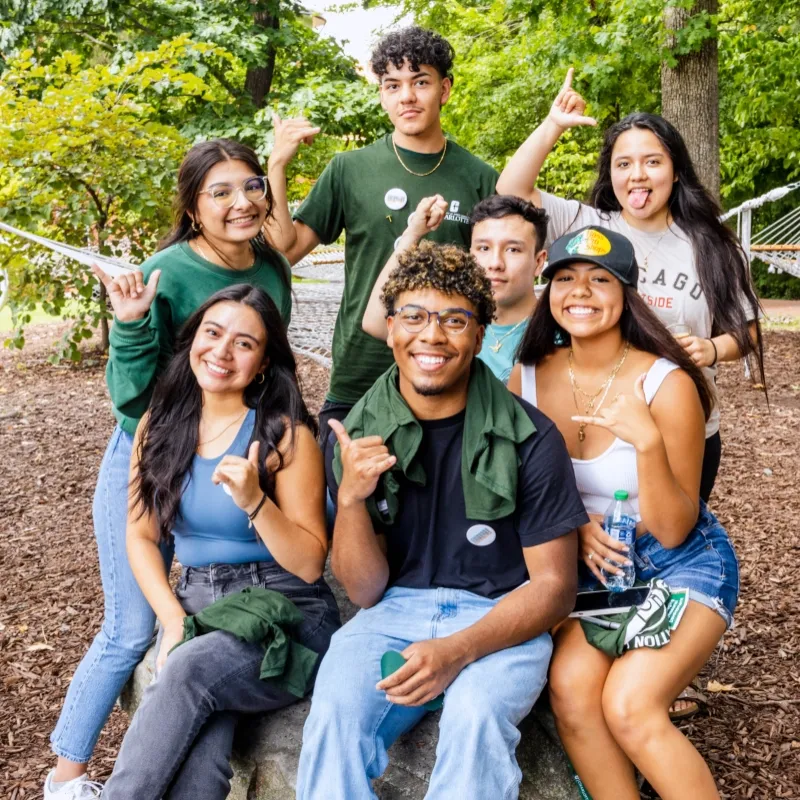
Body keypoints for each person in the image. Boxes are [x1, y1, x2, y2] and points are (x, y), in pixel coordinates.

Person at [45, 140, 293, 799]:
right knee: (134, 625)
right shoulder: (166, 273)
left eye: (250, 186)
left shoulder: (271, 265)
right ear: (192, 208)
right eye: (220, 192)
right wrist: (129, 323)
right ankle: (67, 779)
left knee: (206, 613)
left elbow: (274, 367)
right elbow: (131, 397)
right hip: (148, 454)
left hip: (227, 450)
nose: (241, 202)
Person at [296, 242, 588, 799]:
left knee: (476, 717)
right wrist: (353, 499)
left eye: (455, 320)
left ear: (479, 335)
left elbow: (553, 589)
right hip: (392, 610)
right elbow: (364, 588)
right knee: (333, 712)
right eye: (414, 316)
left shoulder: (530, 436)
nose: (432, 335)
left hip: (503, 613)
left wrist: (457, 650)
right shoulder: (358, 434)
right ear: (390, 327)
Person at [508, 226, 739, 800]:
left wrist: (648, 446)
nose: (580, 292)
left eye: (599, 279)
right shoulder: (529, 376)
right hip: (589, 569)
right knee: (572, 692)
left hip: (677, 561)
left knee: (631, 705)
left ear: (626, 291)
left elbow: (675, 524)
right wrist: (576, 524)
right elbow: (517, 488)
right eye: (565, 278)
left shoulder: (666, 382)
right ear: (548, 291)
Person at [100, 285, 339, 799]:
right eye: (212, 333)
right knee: (200, 752)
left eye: (244, 343)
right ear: (193, 340)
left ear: (264, 361)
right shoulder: (159, 425)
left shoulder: (283, 433)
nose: (222, 352)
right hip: (200, 605)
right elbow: (140, 537)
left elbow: (309, 564)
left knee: (189, 670)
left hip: (285, 609)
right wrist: (172, 621)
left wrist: (256, 501)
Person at [497, 67, 765, 503]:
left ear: (676, 171)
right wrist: (553, 126)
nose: (637, 175)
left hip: (688, 424)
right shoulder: (586, 225)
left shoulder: (713, 245)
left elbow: (748, 331)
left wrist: (711, 349)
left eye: (652, 161)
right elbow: (510, 190)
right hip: (598, 426)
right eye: (624, 164)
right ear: (611, 173)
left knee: (669, 540)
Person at [266, 26, 498, 436]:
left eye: (420, 82)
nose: (406, 96)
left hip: (444, 373)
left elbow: (496, 279)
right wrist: (276, 167)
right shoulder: (349, 169)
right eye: (393, 85)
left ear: (444, 90)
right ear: (382, 95)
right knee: (346, 495)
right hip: (360, 371)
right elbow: (285, 249)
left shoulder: (479, 177)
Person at [362, 193, 548, 383]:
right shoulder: (450, 320)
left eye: (513, 250)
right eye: (484, 248)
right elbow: (374, 323)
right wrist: (412, 234)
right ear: (470, 255)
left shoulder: (557, 330)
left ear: (539, 261)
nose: (495, 263)